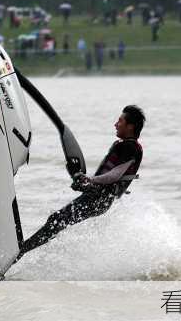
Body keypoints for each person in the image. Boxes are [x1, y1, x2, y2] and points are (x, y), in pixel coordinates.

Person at [19, 105, 146, 257]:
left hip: (100, 199)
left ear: (130, 126)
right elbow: (106, 178)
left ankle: (19, 252)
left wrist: (89, 180)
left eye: (120, 121)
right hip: (97, 196)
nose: (115, 124)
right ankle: (21, 250)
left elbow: (114, 176)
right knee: (56, 220)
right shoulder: (123, 145)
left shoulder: (131, 148)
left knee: (57, 220)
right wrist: (84, 182)